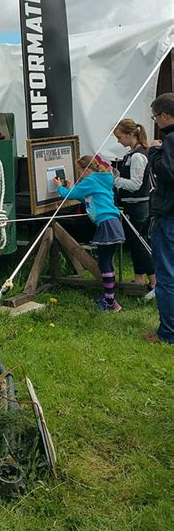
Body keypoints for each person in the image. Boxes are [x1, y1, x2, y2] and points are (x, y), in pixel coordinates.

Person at [54, 155, 125, 312]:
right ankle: (109, 298)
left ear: (87, 169)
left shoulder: (90, 180)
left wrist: (60, 187)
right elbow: (86, 198)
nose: (79, 174)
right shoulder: (101, 179)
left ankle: (111, 302)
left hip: (106, 225)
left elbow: (70, 195)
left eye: (80, 171)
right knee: (105, 262)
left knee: (105, 264)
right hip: (112, 223)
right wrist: (71, 187)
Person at [145, 92, 174, 345]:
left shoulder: (170, 140)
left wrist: (154, 153)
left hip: (169, 215)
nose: (156, 121)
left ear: (165, 115)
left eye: (156, 117)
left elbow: (167, 172)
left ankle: (167, 333)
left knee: (166, 275)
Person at [113, 119, 155, 291]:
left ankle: (154, 282)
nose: (118, 141)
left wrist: (114, 180)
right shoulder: (131, 154)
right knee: (133, 242)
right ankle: (138, 278)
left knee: (140, 242)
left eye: (120, 137)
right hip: (131, 205)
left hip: (138, 205)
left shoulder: (138, 156)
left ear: (130, 135)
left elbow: (135, 184)